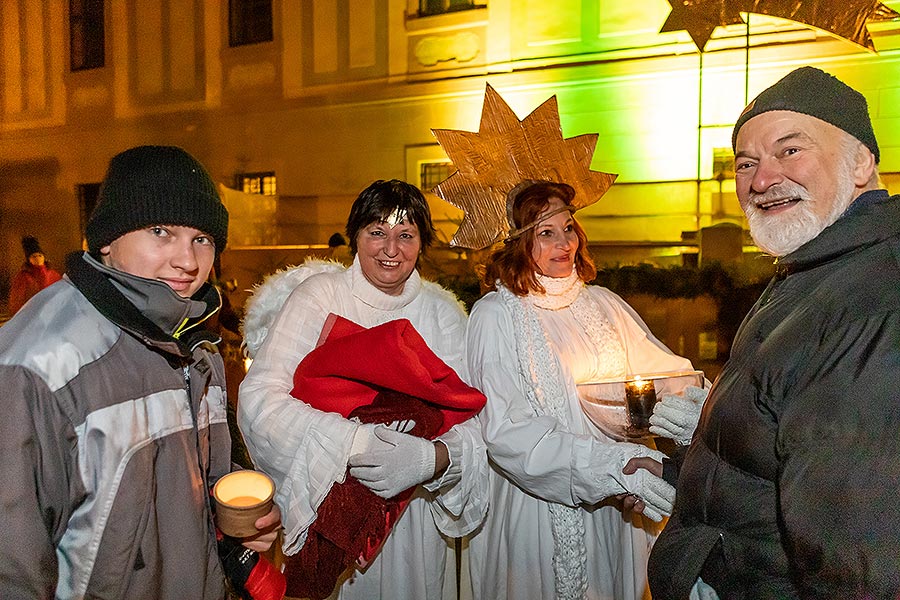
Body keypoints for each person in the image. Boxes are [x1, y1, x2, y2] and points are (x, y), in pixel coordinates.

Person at [648, 66, 900, 599]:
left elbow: (856, 560)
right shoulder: (816, 265)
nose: (762, 181)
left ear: (860, 163)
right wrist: (693, 460)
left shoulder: (872, 297)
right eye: (746, 163)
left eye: (790, 151)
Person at [0, 145, 281, 599]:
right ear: (107, 239)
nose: (187, 261)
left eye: (202, 239)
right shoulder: (39, 366)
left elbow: (193, 487)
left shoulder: (196, 347)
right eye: (161, 231)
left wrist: (237, 522)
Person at [238, 179, 488, 599]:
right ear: (355, 235)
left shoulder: (442, 314)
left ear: (421, 244)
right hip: (327, 501)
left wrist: (433, 457)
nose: (391, 249)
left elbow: (476, 420)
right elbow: (260, 399)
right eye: (377, 232)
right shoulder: (319, 297)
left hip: (416, 523)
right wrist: (354, 442)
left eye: (406, 235)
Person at [465, 180, 699, 600]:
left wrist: (694, 408)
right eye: (546, 232)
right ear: (518, 244)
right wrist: (609, 467)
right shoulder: (495, 315)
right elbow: (507, 433)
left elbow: (669, 373)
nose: (564, 243)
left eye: (568, 228)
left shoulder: (602, 304)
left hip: (617, 507)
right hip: (534, 508)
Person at [8, 234, 62, 314]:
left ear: (44, 257)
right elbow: (17, 299)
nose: (38, 258)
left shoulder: (53, 274)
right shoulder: (23, 276)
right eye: (34, 256)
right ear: (29, 260)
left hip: (52, 312)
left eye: (40, 255)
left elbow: (61, 292)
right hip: (31, 313)